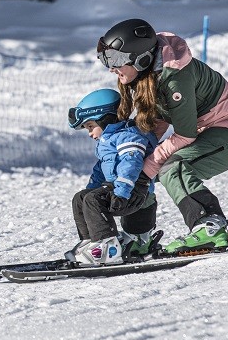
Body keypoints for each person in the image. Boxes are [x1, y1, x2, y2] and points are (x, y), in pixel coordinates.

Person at [97, 18, 228, 253]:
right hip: (206, 127)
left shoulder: (175, 80)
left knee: (173, 167)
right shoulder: (148, 72)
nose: (112, 67)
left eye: (117, 60)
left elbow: (185, 135)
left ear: (140, 58)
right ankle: (138, 237)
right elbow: (158, 118)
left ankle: (209, 226)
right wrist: (137, 159)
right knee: (141, 167)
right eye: (106, 60)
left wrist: (149, 168)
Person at [66, 88, 161, 266]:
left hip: (133, 192)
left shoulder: (127, 136)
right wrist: (90, 190)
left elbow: (131, 165)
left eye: (90, 126)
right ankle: (93, 242)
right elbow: (100, 170)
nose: (89, 133)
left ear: (105, 118)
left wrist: (122, 191)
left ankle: (107, 246)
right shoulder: (107, 141)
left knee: (93, 200)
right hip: (118, 189)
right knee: (81, 199)